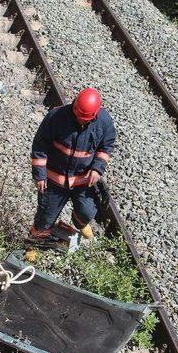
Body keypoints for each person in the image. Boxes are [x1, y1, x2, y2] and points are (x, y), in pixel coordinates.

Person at [29, 87, 116, 241]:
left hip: (82, 182)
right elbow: (40, 146)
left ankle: (80, 223)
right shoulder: (56, 117)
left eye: (85, 119)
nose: (81, 120)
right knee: (45, 218)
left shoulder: (104, 122)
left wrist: (97, 168)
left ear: (95, 115)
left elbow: (107, 146)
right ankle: (35, 244)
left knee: (87, 212)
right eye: (79, 116)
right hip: (54, 181)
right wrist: (40, 175)